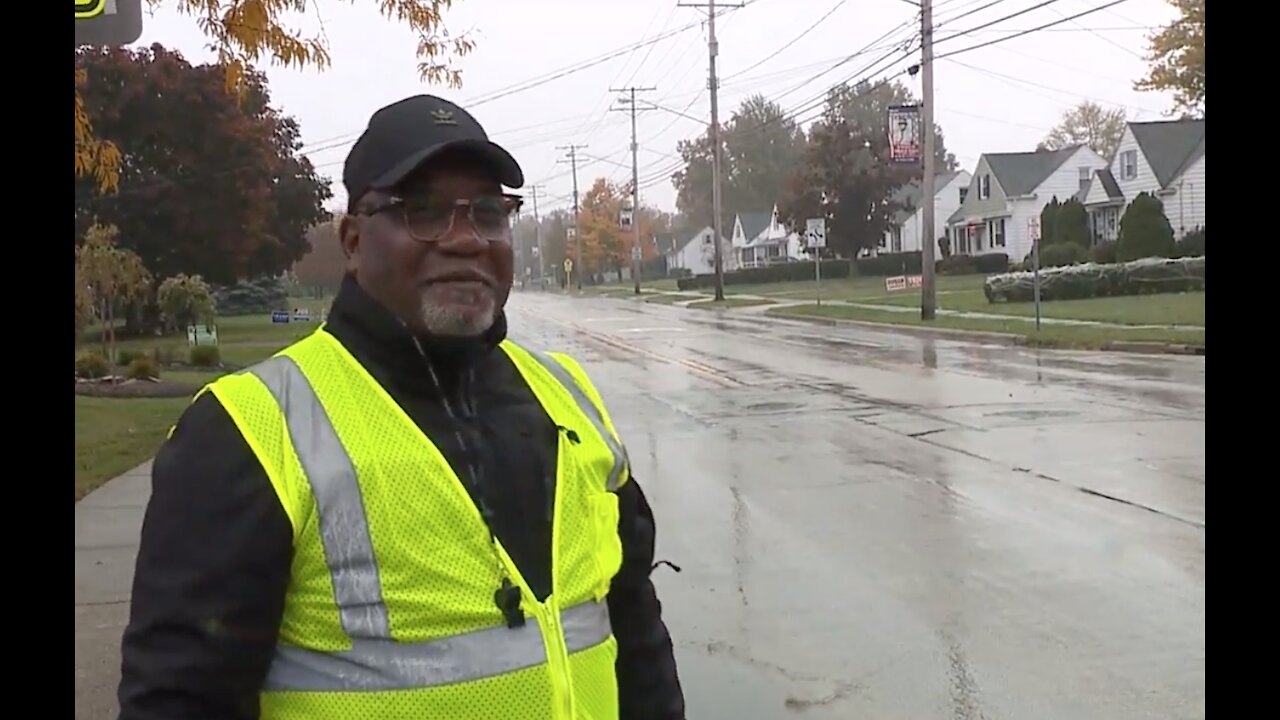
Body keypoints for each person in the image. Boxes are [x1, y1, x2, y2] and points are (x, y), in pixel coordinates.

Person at [118, 94, 686, 720]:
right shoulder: (248, 430)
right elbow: (179, 699)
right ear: (355, 240)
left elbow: (634, 629)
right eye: (424, 211)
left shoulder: (565, 395)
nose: (468, 239)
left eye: (489, 212)